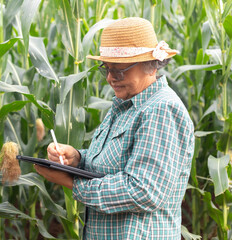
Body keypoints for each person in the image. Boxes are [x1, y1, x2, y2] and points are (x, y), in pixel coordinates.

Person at [35, 17, 195, 239]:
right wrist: (77, 158)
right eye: (106, 69)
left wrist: (72, 183)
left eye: (119, 70)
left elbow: (144, 191)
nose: (110, 78)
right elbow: (116, 162)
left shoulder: (160, 110)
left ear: (150, 66)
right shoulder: (126, 104)